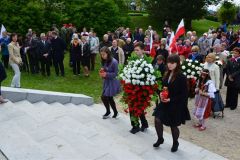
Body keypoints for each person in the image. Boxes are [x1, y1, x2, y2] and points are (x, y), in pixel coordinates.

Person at [153, 54, 190, 152]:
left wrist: (171, 99)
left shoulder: (181, 77)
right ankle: (160, 139)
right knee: (157, 119)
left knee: (173, 125)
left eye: (172, 63)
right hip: (164, 102)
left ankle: (175, 142)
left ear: (177, 64)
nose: (169, 65)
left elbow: (184, 94)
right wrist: (160, 93)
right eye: (168, 62)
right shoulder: (166, 73)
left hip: (175, 104)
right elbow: (163, 87)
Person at [129, 42, 149, 134]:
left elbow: (148, 75)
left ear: (142, 50)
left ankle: (138, 125)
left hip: (141, 88)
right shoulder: (133, 59)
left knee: (137, 106)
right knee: (132, 106)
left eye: (137, 50)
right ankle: (137, 125)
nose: (136, 52)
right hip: (131, 87)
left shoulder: (146, 61)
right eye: (135, 50)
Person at [99, 46, 120, 119]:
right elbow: (105, 69)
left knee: (104, 97)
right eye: (101, 54)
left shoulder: (114, 62)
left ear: (108, 53)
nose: (102, 56)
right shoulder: (104, 60)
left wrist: (106, 74)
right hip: (107, 81)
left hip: (113, 82)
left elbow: (116, 74)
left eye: (104, 54)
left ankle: (109, 112)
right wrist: (102, 71)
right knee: (109, 98)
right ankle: (115, 112)